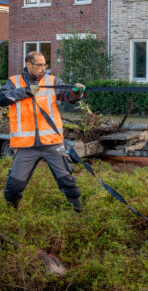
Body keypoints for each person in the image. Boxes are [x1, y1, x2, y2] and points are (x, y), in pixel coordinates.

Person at [0, 51, 85, 212]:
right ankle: (11, 212)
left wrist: (76, 92)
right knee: (14, 185)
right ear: (28, 64)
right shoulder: (14, 82)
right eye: (39, 65)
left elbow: (68, 96)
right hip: (26, 146)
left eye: (45, 64)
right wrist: (25, 91)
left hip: (52, 142)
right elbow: (2, 98)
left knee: (67, 180)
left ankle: (78, 212)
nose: (43, 68)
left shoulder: (53, 81)